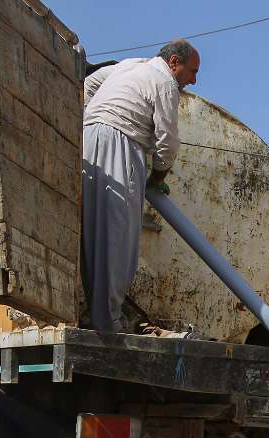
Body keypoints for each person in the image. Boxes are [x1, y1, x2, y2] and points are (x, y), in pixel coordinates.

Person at [81, 40, 200, 332]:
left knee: (92, 231)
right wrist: (157, 178)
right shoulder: (164, 82)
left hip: (88, 139)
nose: (193, 80)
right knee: (118, 237)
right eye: (192, 71)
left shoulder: (129, 65)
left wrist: (95, 113)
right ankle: (108, 320)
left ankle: (97, 316)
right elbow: (168, 143)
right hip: (121, 143)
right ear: (174, 62)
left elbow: (89, 83)